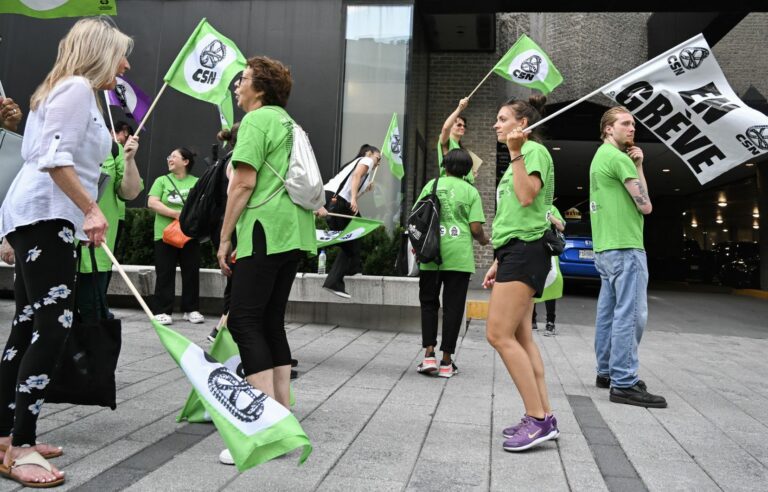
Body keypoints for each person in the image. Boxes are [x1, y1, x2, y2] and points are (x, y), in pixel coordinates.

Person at [0, 17, 132, 487]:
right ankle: (20, 447)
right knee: (52, 329)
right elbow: (54, 159)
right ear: (99, 52)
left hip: (36, 217)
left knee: (28, 326)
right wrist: (92, 210)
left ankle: (7, 436)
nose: (127, 63)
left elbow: (34, 159)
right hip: (48, 219)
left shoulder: (61, 89)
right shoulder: (76, 89)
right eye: (120, 54)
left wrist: (9, 228)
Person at [216, 56, 316, 465]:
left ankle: (265, 429)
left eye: (242, 80)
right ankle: (283, 418)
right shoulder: (290, 124)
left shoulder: (257, 121)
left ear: (260, 89)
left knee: (242, 320)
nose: (237, 86)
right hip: (293, 232)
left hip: (264, 230)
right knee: (270, 320)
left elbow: (243, 182)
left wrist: (225, 237)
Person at [483, 95, 559, 452]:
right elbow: (516, 216)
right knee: (522, 338)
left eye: (502, 119)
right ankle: (543, 414)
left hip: (527, 252)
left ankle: (538, 420)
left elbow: (528, 198)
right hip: (516, 251)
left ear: (521, 124)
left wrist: (515, 152)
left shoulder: (534, 152)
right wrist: (499, 260)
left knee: (498, 335)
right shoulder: (522, 155)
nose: (496, 125)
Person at [590, 106, 666, 408]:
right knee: (631, 313)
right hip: (626, 246)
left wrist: (638, 164)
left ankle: (606, 371)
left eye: (633, 124)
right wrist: (637, 167)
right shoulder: (619, 159)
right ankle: (624, 381)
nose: (632, 128)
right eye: (625, 123)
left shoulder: (599, 158)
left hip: (605, 247)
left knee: (608, 313)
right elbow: (645, 205)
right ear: (608, 129)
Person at [415, 148, 488, 378]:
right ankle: (446, 362)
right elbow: (476, 228)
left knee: (429, 303)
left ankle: (428, 355)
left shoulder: (431, 185)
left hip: (431, 254)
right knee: (454, 308)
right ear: (467, 170)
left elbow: (416, 216)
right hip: (459, 258)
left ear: (445, 166)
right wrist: (485, 240)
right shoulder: (471, 191)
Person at [76, 129, 143, 322]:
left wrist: (129, 160)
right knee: (51, 319)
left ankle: (90, 352)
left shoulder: (113, 149)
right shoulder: (52, 138)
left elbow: (129, 192)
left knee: (93, 313)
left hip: (95, 247)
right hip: (54, 244)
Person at [147, 147, 203, 326]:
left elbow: (203, 204)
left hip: (189, 235)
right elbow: (152, 202)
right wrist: (176, 214)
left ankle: (191, 309)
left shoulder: (197, 182)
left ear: (185, 161)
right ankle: (162, 311)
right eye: (169, 156)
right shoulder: (161, 181)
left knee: (191, 272)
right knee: (164, 272)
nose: (169, 159)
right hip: (164, 235)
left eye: (173, 156)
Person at [317, 144, 381, 299]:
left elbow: (351, 189)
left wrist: (363, 191)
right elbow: (355, 178)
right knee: (352, 237)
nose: (378, 163)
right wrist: (353, 198)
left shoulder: (363, 171)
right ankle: (335, 280)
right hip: (337, 200)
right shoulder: (366, 160)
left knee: (356, 232)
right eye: (377, 158)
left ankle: (353, 268)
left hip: (335, 200)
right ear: (368, 153)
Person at [208, 122, 240, 343]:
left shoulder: (226, 158)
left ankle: (221, 328)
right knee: (238, 281)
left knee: (235, 280)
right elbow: (236, 198)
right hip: (232, 226)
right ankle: (222, 330)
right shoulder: (237, 162)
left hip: (222, 225)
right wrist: (228, 238)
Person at [532, 204, 565, 336]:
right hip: (533, 248)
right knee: (532, 282)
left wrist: (549, 216)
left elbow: (561, 227)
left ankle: (550, 322)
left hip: (548, 249)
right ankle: (531, 319)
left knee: (552, 281)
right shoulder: (530, 205)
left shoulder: (551, 208)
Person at [438, 97, 475, 183]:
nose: (462, 127)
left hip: (464, 186)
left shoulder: (460, 147)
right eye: (459, 125)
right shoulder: (447, 142)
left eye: (464, 126)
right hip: (450, 186)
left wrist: (471, 174)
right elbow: (445, 128)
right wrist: (459, 108)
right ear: (451, 126)